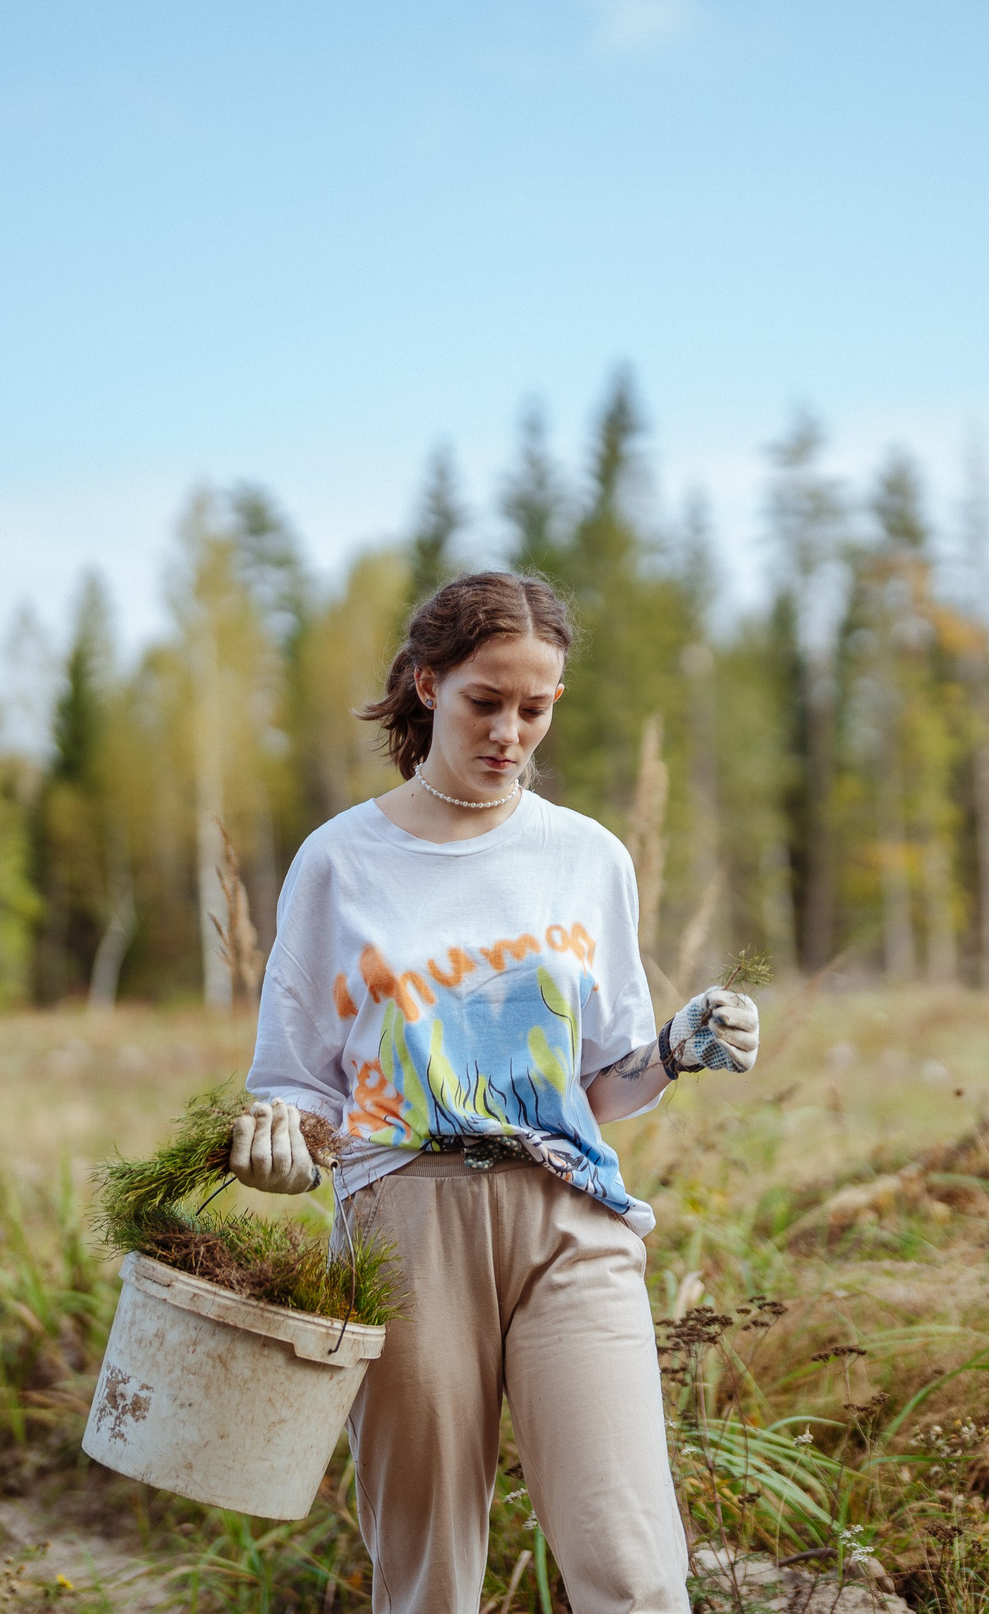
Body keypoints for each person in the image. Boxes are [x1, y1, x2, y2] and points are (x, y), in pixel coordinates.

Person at [236, 570, 760, 1614]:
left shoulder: (587, 857)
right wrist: (282, 1148)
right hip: (404, 1224)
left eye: (535, 707)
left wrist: (677, 1046)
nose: (510, 733)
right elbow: (295, 1083)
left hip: (572, 1216)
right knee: (428, 1577)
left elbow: (602, 1085)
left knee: (634, 1567)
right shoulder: (339, 861)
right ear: (428, 683)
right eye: (486, 701)